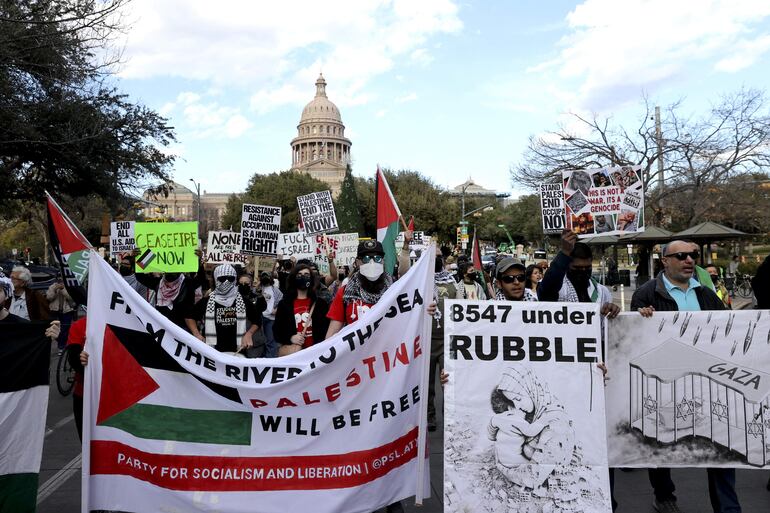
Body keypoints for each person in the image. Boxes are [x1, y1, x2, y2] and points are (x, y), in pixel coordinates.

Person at [325, 239, 433, 513]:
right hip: (356, 380)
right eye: (367, 258)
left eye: (377, 257)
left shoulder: (396, 290)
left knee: (387, 433)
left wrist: (428, 310)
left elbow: (414, 311)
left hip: (390, 375)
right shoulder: (345, 292)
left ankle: (391, 496)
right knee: (359, 437)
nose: (372, 263)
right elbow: (332, 335)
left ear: (384, 261)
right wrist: (319, 364)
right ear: (358, 262)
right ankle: (362, 496)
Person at [632, 240, 740, 513]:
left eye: (693, 255)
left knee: (719, 446)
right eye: (681, 256)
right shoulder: (646, 293)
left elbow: (728, 328)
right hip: (664, 384)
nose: (689, 260)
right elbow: (634, 339)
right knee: (660, 442)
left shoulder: (705, 293)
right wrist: (639, 318)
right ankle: (664, 494)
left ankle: (728, 507)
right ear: (665, 261)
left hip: (706, 382)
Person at [185, 264, 264, 354]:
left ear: (235, 280)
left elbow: (257, 320)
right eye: (222, 279)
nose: (226, 282)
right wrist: (197, 334)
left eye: (230, 279)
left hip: (237, 351)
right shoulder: (207, 301)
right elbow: (189, 317)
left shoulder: (243, 301)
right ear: (216, 279)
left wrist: (249, 334)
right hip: (211, 352)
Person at [428, 255, 458, 431]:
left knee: (447, 382)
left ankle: (448, 415)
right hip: (428, 340)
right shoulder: (422, 283)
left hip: (447, 339)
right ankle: (430, 417)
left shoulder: (452, 283)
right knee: (428, 384)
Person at [273, 263, 330, 354]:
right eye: (299, 275)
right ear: (294, 279)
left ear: (311, 279)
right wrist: (290, 338)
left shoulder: (320, 304)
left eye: (307, 275)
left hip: (316, 354)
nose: (303, 277)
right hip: (295, 355)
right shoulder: (284, 304)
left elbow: (327, 329)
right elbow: (277, 330)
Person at [46, 275, 76, 352]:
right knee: (54, 328)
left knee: (65, 329)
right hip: (55, 311)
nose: (60, 279)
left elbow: (71, 298)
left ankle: (61, 346)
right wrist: (55, 290)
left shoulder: (69, 286)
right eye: (59, 277)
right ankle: (61, 342)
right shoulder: (52, 286)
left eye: (62, 277)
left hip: (67, 311)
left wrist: (63, 289)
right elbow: (49, 298)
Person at [258, 271, 283, 357]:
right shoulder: (258, 289)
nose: (265, 278)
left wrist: (276, 309)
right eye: (263, 276)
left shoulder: (276, 290)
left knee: (271, 340)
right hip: (260, 318)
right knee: (260, 340)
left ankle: (270, 359)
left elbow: (282, 302)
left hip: (271, 319)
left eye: (267, 276)